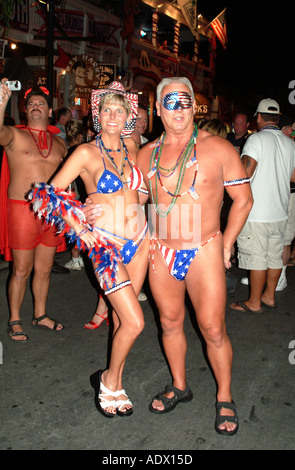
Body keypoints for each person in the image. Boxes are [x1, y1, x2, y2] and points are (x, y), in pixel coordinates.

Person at [136, 77, 253, 435]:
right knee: (169, 323)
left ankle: (224, 396)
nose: (179, 109)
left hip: (203, 248)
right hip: (162, 250)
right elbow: (135, 205)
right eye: (170, 102)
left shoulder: (217, 147)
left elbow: (243, 200)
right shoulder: (147, 153)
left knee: (213, 328)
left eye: (185, 102)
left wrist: (228, 242)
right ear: (158, 109)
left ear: (194, 107)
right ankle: (180, 385)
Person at [28, 81, 150, 417]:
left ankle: (117, 381)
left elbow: (146, 192)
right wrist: (80, 221)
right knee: (136, 321)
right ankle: (108, 379)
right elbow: (46, 193)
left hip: (140, 243)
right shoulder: (85, 152)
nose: (113, 115)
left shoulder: (134, 149)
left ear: (129, 115)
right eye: (107, 109)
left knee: (120, 319)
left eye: (119, 109)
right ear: (98, 114)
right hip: (107, 248)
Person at [0, 81, 67, 341]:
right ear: (25, 111)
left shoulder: (60, 145)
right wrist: (2, 100)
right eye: (31, 105)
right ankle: (14, 319)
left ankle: (40, 315)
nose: (36, 107)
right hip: (22, 210)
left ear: (50, 111)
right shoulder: (13, 135)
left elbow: (66, 181)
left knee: (45, 268)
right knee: (20, 269)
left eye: (41, 104)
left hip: (51, 213)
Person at [230, 99, 295, 313]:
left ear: (258, 117)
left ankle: (254, 302)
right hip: (280, 210)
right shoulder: (289, 143)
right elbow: (293, 177)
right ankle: (269, 297)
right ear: (277, 118)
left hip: (257, 212)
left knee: (257, 258)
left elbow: (245, 174)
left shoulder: (256, 140)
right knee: (274, 256)